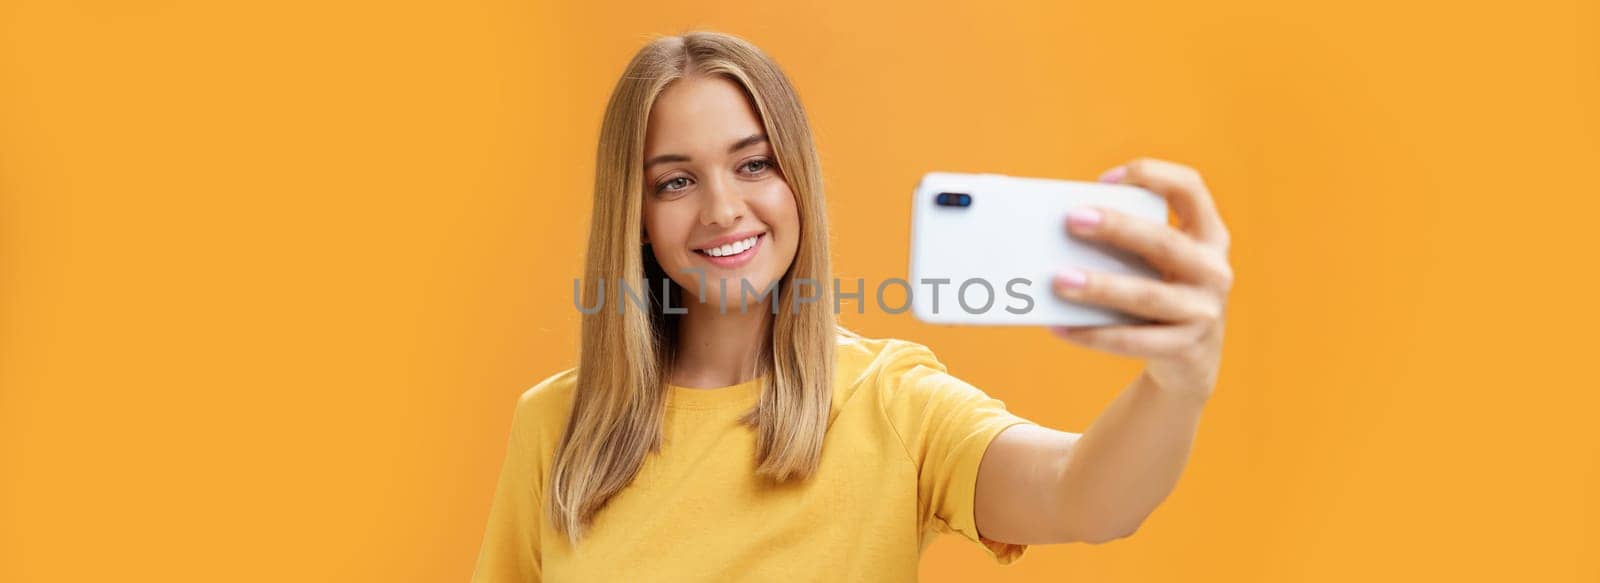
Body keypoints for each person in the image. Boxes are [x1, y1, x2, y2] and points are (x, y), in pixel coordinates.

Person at [472, 30, 1234, 582]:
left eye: (754, 164)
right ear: (634, 214)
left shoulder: (891, 403)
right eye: (676, 180)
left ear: (796, 177)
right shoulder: (556, 427)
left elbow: (1083, 497)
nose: (723, 208)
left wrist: (1176, 384)